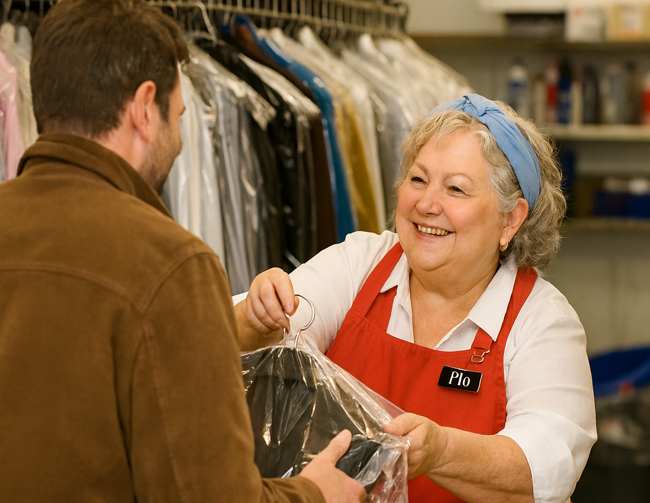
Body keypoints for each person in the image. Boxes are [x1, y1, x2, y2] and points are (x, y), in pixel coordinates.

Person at [0, 1, 364, 502]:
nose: (177, 142)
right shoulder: (169, 264)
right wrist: (315, 493)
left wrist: (228, 330)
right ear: (144, 108)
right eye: (177, 117)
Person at [236, 94, 598, 503]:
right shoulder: (360, 264)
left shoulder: (543, 322)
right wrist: (255, 314)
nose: (426, 204)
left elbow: (544, 468)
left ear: (510, 220)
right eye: (418, 179)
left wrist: (441, 450)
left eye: (456, 189)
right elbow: (263, 340)